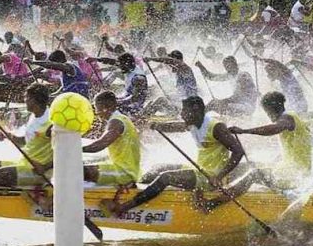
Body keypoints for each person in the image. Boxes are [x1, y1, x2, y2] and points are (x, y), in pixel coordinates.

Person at [100, 96, 249, 215]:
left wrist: (219, 175)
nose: (181, 114)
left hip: (210, 176)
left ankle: (123, 207)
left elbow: (239, 151)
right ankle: (132, 187)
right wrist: (156, 125)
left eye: (184, 111)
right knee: (158, 168)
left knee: (166, 177)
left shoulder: (216, 127)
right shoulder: (194, 122)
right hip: (199, 169)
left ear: (196, 110)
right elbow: (176, 126)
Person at [230, 92, 312, 189]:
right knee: (249, 165)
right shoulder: (293, 116)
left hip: (294, 177)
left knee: (254, 174)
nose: (268, 115)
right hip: (290, 171)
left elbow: (274, 128)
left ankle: (218, 201)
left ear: (271, 109)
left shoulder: (287, 118)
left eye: (267, 112)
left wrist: (244, 131)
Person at [82, 91, 142, 186]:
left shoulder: (116, 122)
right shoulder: (121, 118)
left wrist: (75, 149)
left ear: (108, 107)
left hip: (124, 173)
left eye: (98, 108)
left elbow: (99, 145)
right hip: (123, 169)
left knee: (79, 171)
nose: (97, 113)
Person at [91, 53, 148, 117]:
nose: (120, 67)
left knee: (105, 107)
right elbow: (112, 61)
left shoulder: (138, 78)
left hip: (134, 107)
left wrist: (116, 103)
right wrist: (96, 59)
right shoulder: (129, 67)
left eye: (121, 65)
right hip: (125, 99)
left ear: (127, 64)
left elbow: (135, 99)